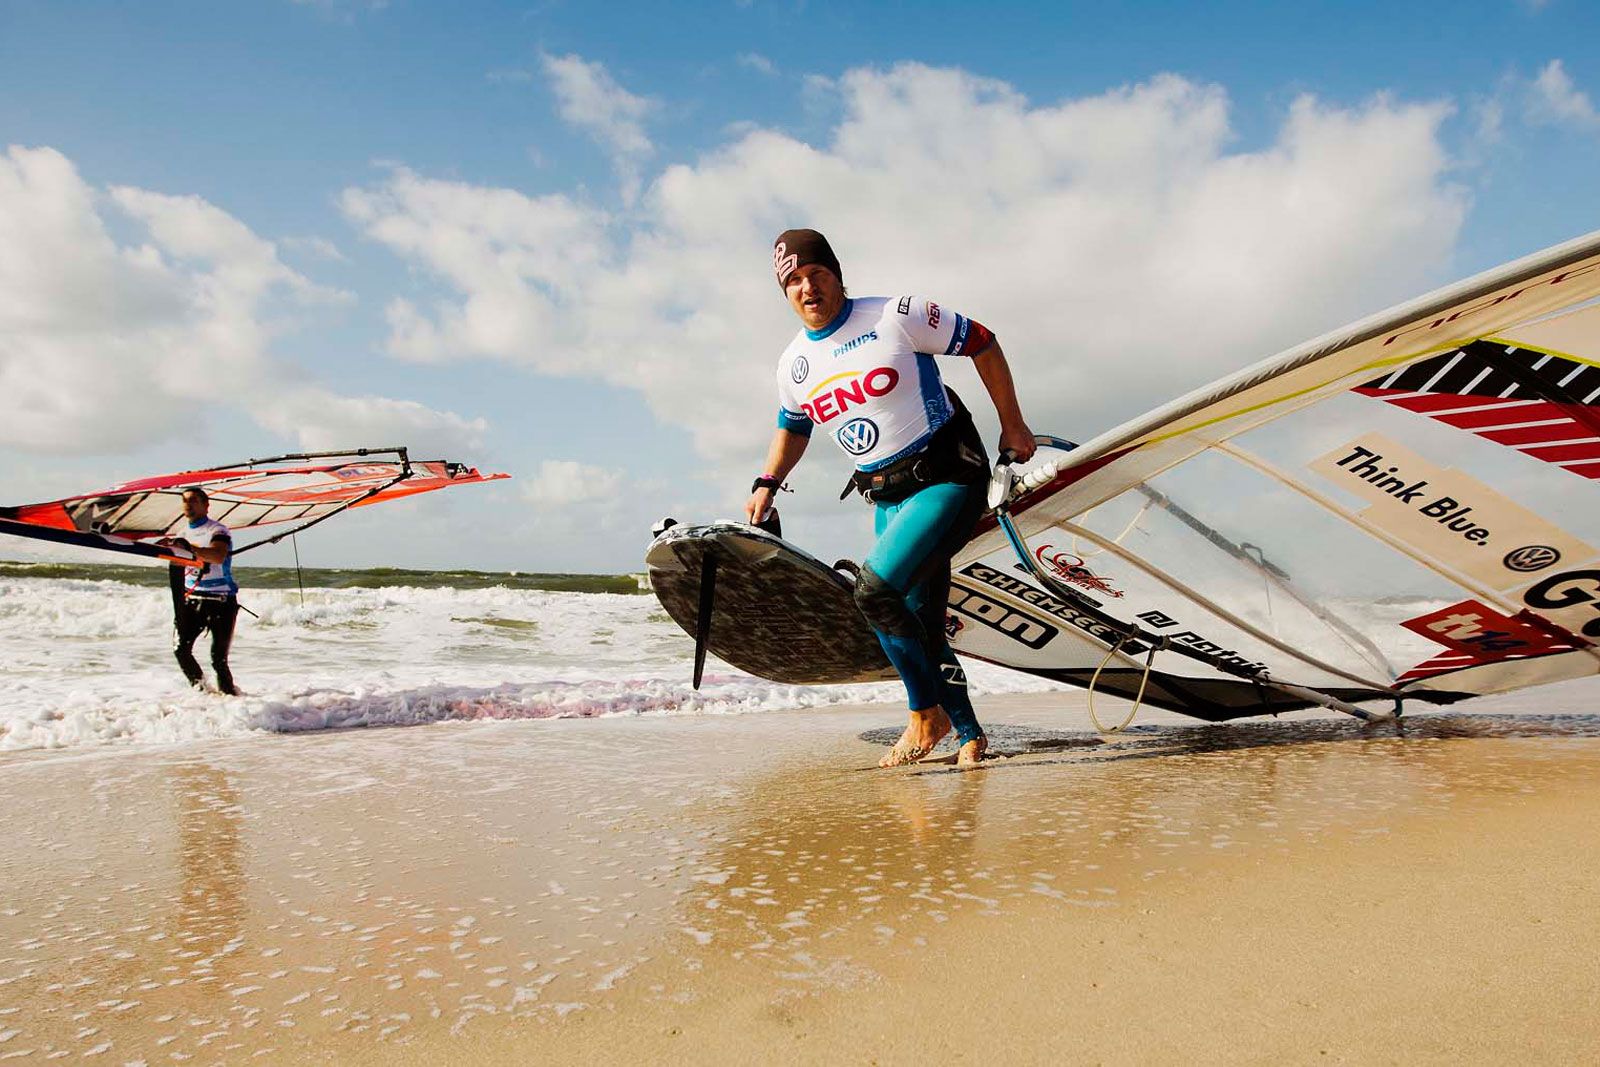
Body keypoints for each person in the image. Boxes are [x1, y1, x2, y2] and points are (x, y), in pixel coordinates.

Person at [747, 228, 1035, 768]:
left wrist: (1013, 424)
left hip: (947, 476)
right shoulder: (793, 365)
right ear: (784, 293)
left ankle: (925, 713)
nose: (807, 288)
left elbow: (983, 341)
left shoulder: (894, 314)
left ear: (837, 275)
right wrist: (767, 481)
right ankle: (969, 735)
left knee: (876, 593)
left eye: (817, 275)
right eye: (794, 282)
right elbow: (793, 425)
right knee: (917, 617)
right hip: (885, 497)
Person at [164, 487, 241, 696]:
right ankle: (204, 694)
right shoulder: (181, 533)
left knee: (218, 659)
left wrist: (189, 549)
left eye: (194, 500)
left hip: (221, 602)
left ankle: (233, 702)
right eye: (185, 500)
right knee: (180, 650)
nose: (188, 504)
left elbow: (217, 556)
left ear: (206, 505)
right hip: (191, 601)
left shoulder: (218, 531)